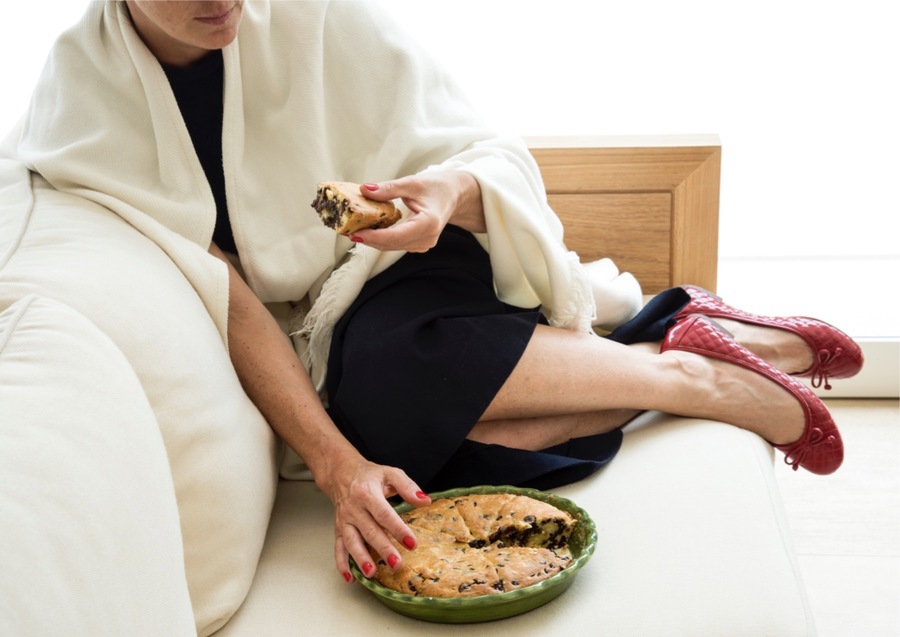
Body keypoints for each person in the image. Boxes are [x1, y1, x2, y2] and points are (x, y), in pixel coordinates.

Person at [2, 0, 862, 587]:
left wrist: (443, 197)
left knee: (393, 372)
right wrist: (341, 467)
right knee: (392, 442)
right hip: (322, 327)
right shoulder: (86, 99)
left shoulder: (316, 16)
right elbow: (221, 290)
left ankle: (697, 381)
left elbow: (484, 151)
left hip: (416, 265)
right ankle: (671, 337)